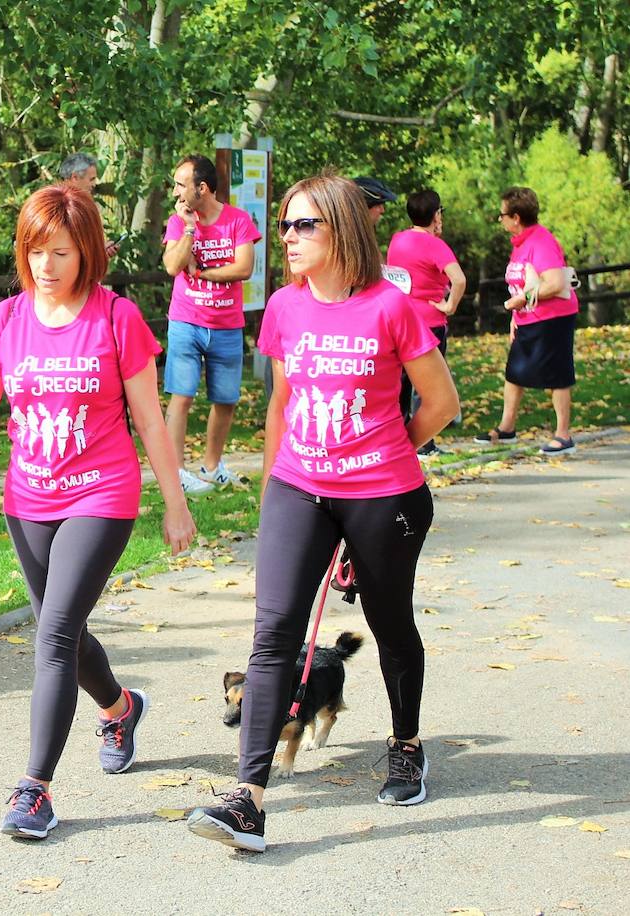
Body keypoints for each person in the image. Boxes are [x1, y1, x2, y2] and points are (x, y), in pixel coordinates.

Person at [187, 173, 459, 853]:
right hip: (298, 487)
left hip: (383, 495)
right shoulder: (283, 305)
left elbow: (441, 403)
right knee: (274, 629)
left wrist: (386, 451)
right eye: (284, 225)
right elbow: (281, 402)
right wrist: (274, 490)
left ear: (343, 229)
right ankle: (247, 799)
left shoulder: (391, 308)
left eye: (304, 225)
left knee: (389, 623)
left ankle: (405, 744)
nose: (289, 237)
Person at [0, 184, 196, 840]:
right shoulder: (8, 321)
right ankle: (120, 709)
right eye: (36, 250)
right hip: (29, 499)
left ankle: (34, 789)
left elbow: (150, 420)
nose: (46, 265)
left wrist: (175, 503)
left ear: (87, 253)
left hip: (101, 494)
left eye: (61, 252)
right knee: (60, 633)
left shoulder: (116, 318)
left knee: (52, 634)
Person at [160, 154, 261, 494]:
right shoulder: (178, 222)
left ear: (201, 187)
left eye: (180, 184)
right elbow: (174, 265)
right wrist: (189, 228)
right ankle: (177, 473)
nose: (175, 192)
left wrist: (202, 273)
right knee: (181, 396)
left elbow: (244, 268)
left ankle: (212, 465)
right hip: (186, 322)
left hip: (227, 324)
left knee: (226, 399)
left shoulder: (238, 220)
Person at [473, 187, 578, 454]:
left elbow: (554, 283)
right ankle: (507, 429)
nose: (500, 220)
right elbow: (524, 282)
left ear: (516, 217)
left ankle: (563, 436)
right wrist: (515, 316)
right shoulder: (521, 243)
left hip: (553, 318)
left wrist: (521, 301)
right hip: (528, 319)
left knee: (557, 375)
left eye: (502, 215)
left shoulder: (540, 242)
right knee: (514, 373)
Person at [386, 189, 467, 454]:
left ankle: (395, 440)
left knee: (401, 382)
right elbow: (459, 279)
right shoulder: (435, 245)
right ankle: (424, 443)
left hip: (399, 319)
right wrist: (450, 305)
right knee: (429, 385)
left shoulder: (398, 240)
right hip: (429, 321)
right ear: (436, 215)